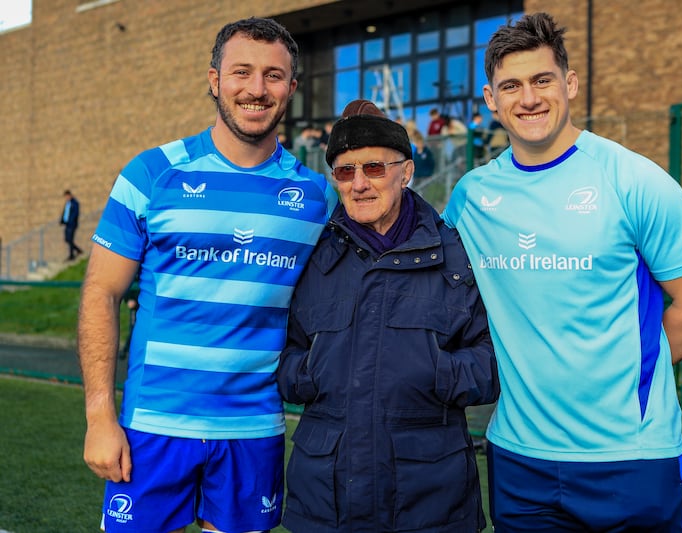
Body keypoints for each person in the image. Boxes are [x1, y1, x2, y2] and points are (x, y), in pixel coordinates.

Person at [442, 13, 682, 532]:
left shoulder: (633, 179)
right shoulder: (472, 196)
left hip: (630, 455)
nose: (528, 98)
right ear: (491, 100)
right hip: (519, 455)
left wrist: (623, 373)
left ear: (569, 84)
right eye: (511, 86)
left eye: (542, 80)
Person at [77, 17, 338, 533]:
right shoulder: (151, 174)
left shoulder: (317, 197)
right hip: (154, 425)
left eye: (273, 75)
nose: (257, 89)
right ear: (215, 80)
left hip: (253, 429)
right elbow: (102, 293)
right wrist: (99, 417)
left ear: (292, 88)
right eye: (242, 72)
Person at [277, 99, 499, 533]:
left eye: (374, 168)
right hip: (325, 499)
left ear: (406, 171)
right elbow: (284, 350)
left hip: (430, 498)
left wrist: (434, 371)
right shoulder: (312, 254)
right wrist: (311, 372)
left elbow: (492, 357)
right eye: (345, 171)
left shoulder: (457, 251)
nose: (359, 184)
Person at [60, 189, 83, 260]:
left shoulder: (75, 203)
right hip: (67, 224)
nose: (66, 198)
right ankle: (78, 250)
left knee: (70, 239)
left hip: (72, 224)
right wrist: (62, 220)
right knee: (67, 239)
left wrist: (70, 220)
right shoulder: (67, 203)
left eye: (67, 196)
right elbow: (65, 213)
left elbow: (75, 213)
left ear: (70, 195)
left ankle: (71, 255)